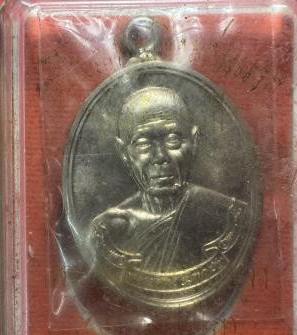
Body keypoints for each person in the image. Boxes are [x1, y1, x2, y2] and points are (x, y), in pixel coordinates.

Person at [88, 86, 246, 274]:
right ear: (123, 152)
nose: (160, 156)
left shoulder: (231, 217)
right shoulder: (109, 230)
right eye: (143, 144)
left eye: (173, 139)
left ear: (194, 141)